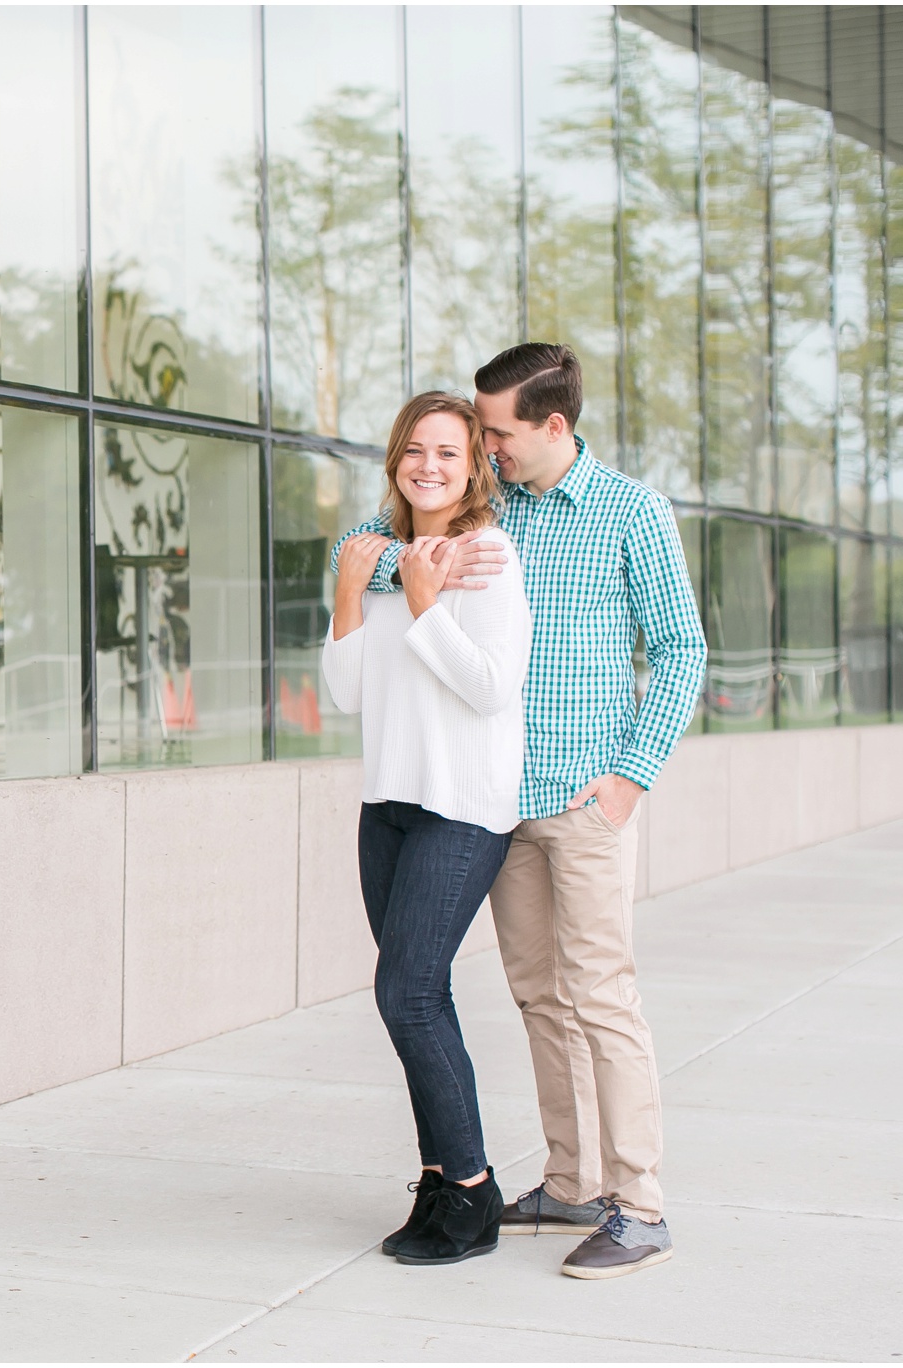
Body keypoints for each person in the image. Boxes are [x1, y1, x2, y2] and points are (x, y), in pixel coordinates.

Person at [333, 343, 706, 1279]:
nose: (485, 444)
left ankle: (641, 1204)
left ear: (552, 425)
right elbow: (388, 565)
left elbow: (681, 650)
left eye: (496, 431)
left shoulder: (629, 512)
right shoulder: (495, 515)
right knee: (539, 996)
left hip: (582, 796)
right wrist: (366, 567)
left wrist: (630, 777)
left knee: (602, 998)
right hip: (496, 799)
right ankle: (571, 1178)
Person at [323, 391, 530, 1267]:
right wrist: (350, 590)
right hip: (390, 806)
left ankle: (475, 1193)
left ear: (473, 464)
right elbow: (348, 694)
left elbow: (488, 686)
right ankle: (441, 1180)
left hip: (462, 806)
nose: (430, 466)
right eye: (417, 450)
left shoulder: (486, 554)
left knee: (405, 994)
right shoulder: (375, 559)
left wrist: (423, 602)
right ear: (395, 459)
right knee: (419, 999)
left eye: (449, 452)